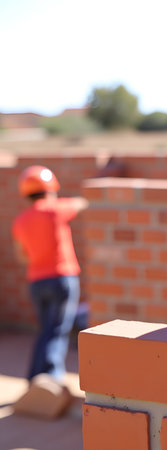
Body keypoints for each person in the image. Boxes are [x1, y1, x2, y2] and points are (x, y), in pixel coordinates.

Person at [12, 165, 88, 417]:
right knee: (57, 331)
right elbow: (82, 203)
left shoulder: (21, 220)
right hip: (62, 279)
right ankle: (51, 382)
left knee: (45, 330)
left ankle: (34, 378)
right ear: (51, 188)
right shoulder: (56, 209)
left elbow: (21, 256)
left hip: (37, 281)